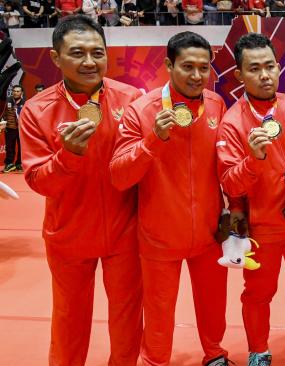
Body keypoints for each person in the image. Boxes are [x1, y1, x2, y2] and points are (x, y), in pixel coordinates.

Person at [19, 15, 143, 365]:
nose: (89, 62)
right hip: (68, 234)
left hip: (125, 231)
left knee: (128, 319)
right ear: (56, 58)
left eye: (97, 52)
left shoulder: (131, 98)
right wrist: (68, 156)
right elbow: (38, 181)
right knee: (69, 320)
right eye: (77, 53)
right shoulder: (36, 110)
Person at [110, 31, 231, 366]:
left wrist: (233, 211)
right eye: (187, 66)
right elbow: (120, 175)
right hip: (159, 235)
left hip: (209, 233)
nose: (196, 75)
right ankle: (156, 361)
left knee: (214, 304)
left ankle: (215, 353)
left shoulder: (217, 104)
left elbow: (225, 163)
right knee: (159, 312)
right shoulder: (141, 111)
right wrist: (153, 140)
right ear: (168, 65)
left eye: (203, 68)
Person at [217, 32, 285, 366]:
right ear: (239, 75)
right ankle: (258, 350)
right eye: (254, 69)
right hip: (261, 226)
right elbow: (230, 183)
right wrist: (253, 159)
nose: (264, 75)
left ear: (279, 68)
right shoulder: (231, 123)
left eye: (270, 66)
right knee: (259, 293)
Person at [2, 85, 24, 173]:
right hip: (10, 128)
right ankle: (9, 164)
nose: (16, 93)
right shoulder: (7, 101)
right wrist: (3, 122)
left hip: (21, 129)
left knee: (21, 147)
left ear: (21, 93)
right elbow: (3, 113)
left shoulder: (25, 102)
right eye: (14, 91)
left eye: (18, 91)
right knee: (10, 147)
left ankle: (19, 164)